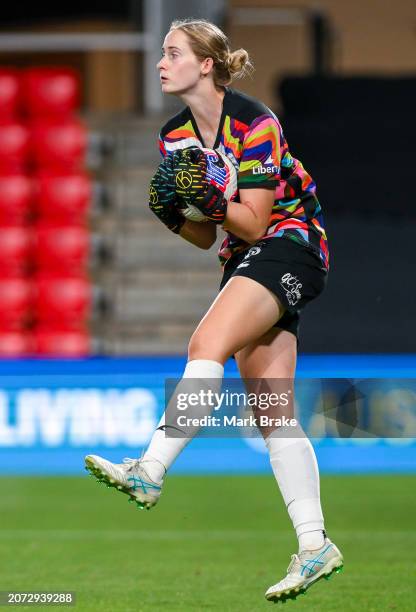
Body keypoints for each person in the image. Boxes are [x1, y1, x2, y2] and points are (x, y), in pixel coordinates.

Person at [85, 18, 343, 603]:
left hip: (291, 242)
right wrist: (177, 215)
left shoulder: (257, 122)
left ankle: (150, 468)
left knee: (206, 346)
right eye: (160, 54)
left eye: (172, 53)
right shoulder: (175, 136)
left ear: (206, 64)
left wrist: (209, 200)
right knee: (273, 411)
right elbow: (207, 236)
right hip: (243, 257)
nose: (160, 63)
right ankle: (314, 545)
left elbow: (253, 218)